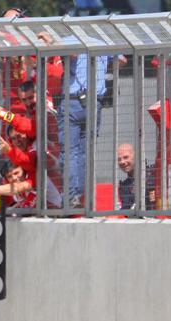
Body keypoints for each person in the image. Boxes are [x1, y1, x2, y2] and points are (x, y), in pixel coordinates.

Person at [58, 48, 110, 208]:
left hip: (73, 101)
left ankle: (71, 196)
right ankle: (82, 195)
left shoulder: (67, 41)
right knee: (85, 151)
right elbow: (121, 60)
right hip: (95, 101)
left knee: (69, 151)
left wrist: (52, 43)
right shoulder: (103, 42)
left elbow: (71, 53)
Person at [116, 143, 156, 210]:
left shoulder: (154, 174)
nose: (122, 162)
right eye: (119, 159)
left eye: (126, 157)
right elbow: (126, 211)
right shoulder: (125, 186)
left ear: (136, 157)